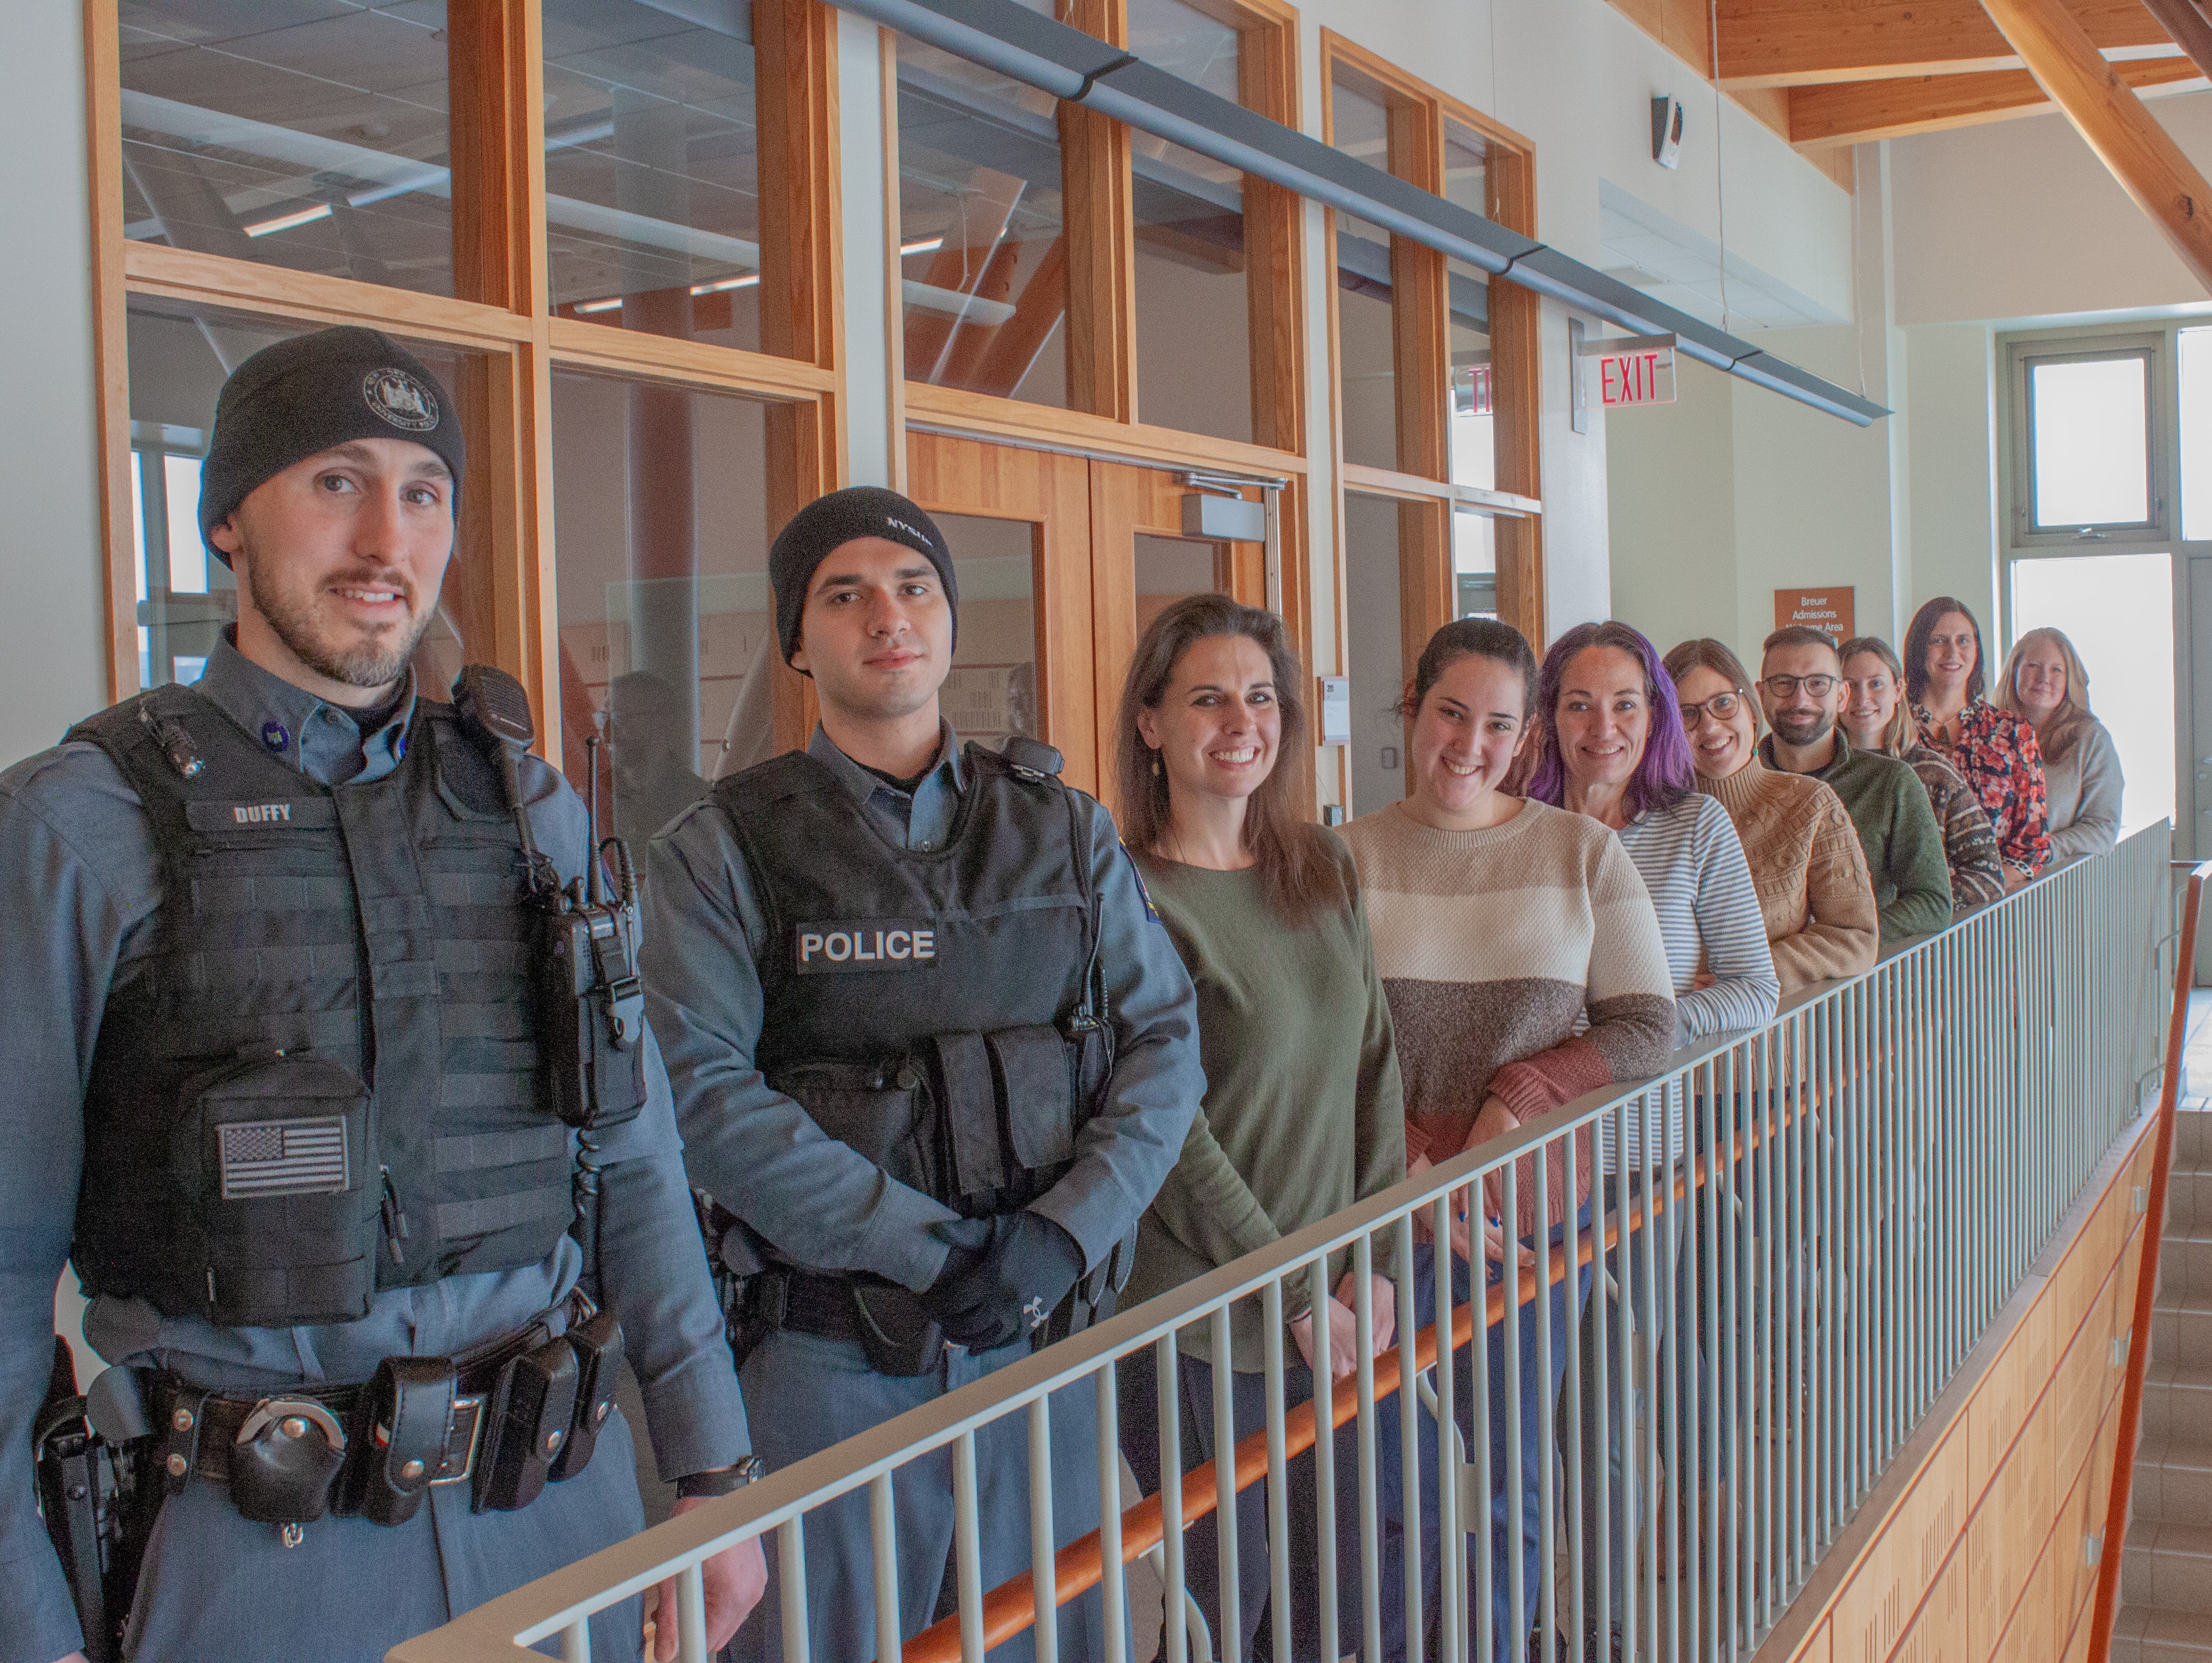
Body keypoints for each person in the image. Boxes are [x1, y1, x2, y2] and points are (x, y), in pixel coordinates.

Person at [0, 327, 764, 1663]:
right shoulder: (84, 823)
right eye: (336, 481)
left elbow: (634, 1156)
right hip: (246, 1571)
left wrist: (713, 1473)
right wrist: (26, 1613)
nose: (385, 538)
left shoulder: (532, 809)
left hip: (552, 1522)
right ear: (227, 519)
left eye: (423, 492)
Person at [641, 486, 1203, 1661]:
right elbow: (700, 1094)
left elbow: (1164, 1043)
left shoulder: (1065, 829)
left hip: (1037, 1341)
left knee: (1063, 1635)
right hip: (829, 1364)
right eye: (843, 596)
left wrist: (1066, 1233)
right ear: (798, 641)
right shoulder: (720, 849)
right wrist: (928, 1250)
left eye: (912, 589)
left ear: (948, 621)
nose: (885, 617)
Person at [1341, 618, 1676, 1663]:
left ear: (1525, 732)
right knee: (1387, 1487)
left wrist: (1515, 1101)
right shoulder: (1340, 857)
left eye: (1496, 723)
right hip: (1384, 1220)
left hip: (1523, 1219)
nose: (1470, 743)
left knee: (1513, 1473)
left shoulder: (1582, 851)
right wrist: (1411, 1160)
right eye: (1451, 713)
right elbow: (1325, 1052)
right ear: (1412, 708)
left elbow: (1647, 1026)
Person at [1109, 593, 1407, 1660]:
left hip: (1336, 1305)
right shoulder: (1127, 895)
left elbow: (1374, 1068)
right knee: (1220, 1614)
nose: (1240, 721)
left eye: (1258, 696)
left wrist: (1374, 1258)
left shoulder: (1320, 865)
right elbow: (1168, 1135)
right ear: (1150, 723)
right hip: (1199, 1318)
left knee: (1340, 1595)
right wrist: (1289, 1289)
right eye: (1205, 699)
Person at [1526, 621, 1776, 1657]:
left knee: (1609, 1408)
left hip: (1644, 1163)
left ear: (1655, 716)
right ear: (1548, 718)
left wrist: (1637, 1033)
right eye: (1579, 704)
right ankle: (1544, 1603)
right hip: (1528, 1167)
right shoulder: (1513, 827)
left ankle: (1601, 1624)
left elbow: (1755, 991)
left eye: (1625, 703)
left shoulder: (1694, 830)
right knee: (1540, 1413)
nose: (1603, 726)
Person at [1661, 638, 1878, 992]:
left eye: (1723, 704)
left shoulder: (1811, 803)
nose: (1710, 726)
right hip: (1673, 1036)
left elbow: (1854, 937)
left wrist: (1756, 972)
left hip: (1770, 1039)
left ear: (1751, 705)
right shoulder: (1648, 815)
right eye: (1687, 714)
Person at [1753, 626, 1952, 945]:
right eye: (1784, 684)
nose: (1800, 699)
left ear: (1842, 696)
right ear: (1761, 693)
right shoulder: (1735, 786)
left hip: (1862, 987)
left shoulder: (1891, 783)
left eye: (1818, 683)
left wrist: (1835, 942)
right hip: (1750, 988)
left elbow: (1933, 902)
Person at [1838, 635, 2005, 915]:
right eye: (1850, 686)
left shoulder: (1934, 774)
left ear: (1898, 689)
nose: (1863, 698)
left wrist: (1910, 910)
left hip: (1913, 946)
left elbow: (1987, 876)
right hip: (1829, 946)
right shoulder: (1819, 776)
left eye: (1875, 684)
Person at [1903, 597, 2049, 887]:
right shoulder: (1893, 730)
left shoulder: (2014, 733)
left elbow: (2032, 849)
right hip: (1913, 912)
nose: (1952, 652)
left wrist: (1971, 890)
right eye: (1938, 641)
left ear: (1977, 649)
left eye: (1963, 640)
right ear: (1919, 649)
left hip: (1991, 916)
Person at [1996, 627, 2123, 864]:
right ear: (2014, 671)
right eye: (2034, 666)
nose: (2044, 678)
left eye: (2057, 670)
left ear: (2069, 680)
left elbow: (2103, 829)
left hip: (2054, 887)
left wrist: (2038, 854)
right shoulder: (1987, 734)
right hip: (1987, 886)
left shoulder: (2092, 740)